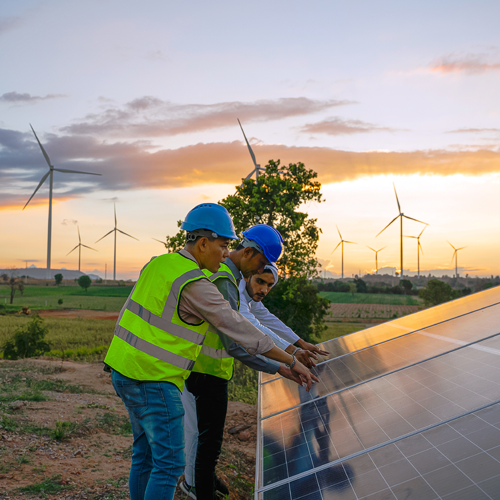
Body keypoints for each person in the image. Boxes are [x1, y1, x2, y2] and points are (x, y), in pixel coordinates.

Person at [104, 204, 317, 500]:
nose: (226, 252)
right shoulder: (195, 282)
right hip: (154, 378)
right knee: (169, 465)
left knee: (146, 456)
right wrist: (289, 360)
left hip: (122, 370)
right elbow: (238, 328)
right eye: (223, 245)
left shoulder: (158, 263)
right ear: (203, 243)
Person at [179, 226, 324, 500]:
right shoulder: (227, 282)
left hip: (210, 369)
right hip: (202, 371)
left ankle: (199, 482)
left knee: (203, 436)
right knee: (202, 438)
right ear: (248, 253)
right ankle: (196, 487)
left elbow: (262, 321)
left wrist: (296, 344)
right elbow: (244, 334)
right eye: (261, 267)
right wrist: (287, 359)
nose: (263, 278)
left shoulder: (234, 281)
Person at [241, 264, 329, 358]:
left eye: (270, 285)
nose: (264, 290)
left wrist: (301, 343)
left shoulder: (251, 297)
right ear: (247, 277)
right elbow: (253, 326)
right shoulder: (237, 295)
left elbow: (269, 320)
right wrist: (293, 350)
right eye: (260, 281)